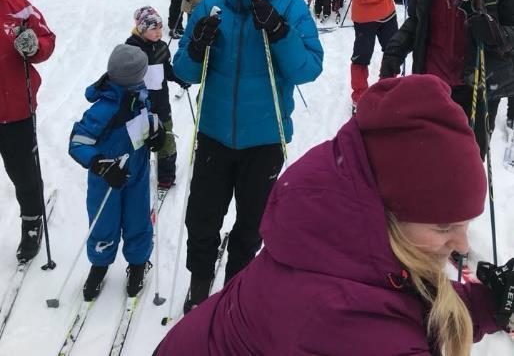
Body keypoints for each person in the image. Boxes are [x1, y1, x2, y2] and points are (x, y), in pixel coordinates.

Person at [154, 74, 514, 356]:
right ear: (386, 211)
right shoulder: (337, 319)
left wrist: (488, 304)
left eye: (465, 223)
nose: (462, 243)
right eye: (444, 226)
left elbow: (391, 303)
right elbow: (369, 324)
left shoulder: (336, 240)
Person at [172, 0, 323, 313]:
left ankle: (236, 292)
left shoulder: (289, 7)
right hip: (214, 133)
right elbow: (185, 73)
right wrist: (194, 46)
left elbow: (308, 69)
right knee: (202, 219)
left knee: (251, 224)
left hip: (265, 137)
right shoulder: (211, 9)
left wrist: (278, 32)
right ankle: (199, 287)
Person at [380, 0, 514, 160]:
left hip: (474, 90)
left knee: (464, 165)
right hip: (431, 85)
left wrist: (497, 34)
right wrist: (396, 49)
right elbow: (417, 22)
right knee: (425, 157)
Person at [69, 44, 164, 300]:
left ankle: (137, 265)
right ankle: (99, 267)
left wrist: (156, 131)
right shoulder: (105, 108)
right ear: (133, 76)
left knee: (138, 221)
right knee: (104, 223)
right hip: (107, 179)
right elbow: (77, 142)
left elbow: (147, 119)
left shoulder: (140, 95)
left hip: (138, 172)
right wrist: (100, 164)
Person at [0, 0, 56, 262]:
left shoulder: (19, 7)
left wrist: (34, 46)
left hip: (18, 110)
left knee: (23, 173)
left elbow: (47, 38)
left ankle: (32, 222)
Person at [125, 6, 190, 188]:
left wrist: (180, 78)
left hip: (161, 105)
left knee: (166, 139)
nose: (159, 32)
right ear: (141, 28)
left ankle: (166, 176)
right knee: (141, 142)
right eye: (154, 29)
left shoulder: (161, 48)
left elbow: (167, 70)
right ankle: (138, 175)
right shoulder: (131, 49)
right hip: (139, 109)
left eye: (161, 28)